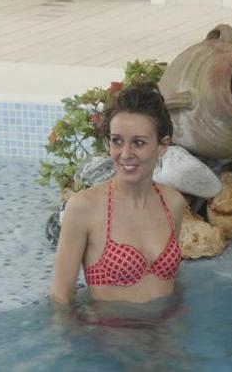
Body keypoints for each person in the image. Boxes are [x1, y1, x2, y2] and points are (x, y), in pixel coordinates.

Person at [50, 82, 185, 305]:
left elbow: (172, 282)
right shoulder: (85, 208)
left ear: (163, 146)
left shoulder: (172, 203)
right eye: (117, 141)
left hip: (167, 325)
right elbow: (60, 298)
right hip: (110, 327)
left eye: (138, 143)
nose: (125, 153)